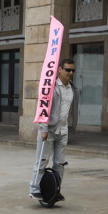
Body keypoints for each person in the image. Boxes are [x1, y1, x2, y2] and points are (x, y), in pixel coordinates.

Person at [29, 58, 78, 202]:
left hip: (63, 131)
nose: (71, 73)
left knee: (60, 163)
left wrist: (71, 126)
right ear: (60, 70)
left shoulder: (72, 89)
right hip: (48, 130)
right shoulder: (49, 87)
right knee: (42, 160)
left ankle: (56, 190)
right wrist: (43, 128)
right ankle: (34, 189)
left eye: (73, 70)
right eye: (68, 70)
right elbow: (43, 107)